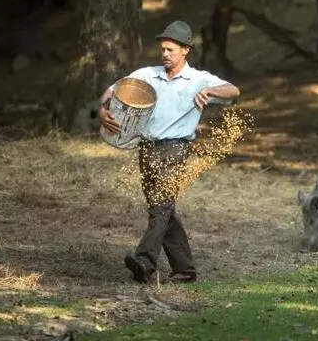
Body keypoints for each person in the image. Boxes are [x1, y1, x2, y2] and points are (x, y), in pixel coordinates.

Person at [99, 20, 240, 284]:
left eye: (170, 49)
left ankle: (144, 261)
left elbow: (234, 90)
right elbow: (112, 89)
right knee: (161, 209)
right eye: (162, 49)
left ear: (185, 50)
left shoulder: (199, 79)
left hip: (176, 149)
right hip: (147, 148)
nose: (164, 54)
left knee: (161, 208)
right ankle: (185, 270)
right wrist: (103, 109)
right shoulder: (147, 75)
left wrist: (210, 91)